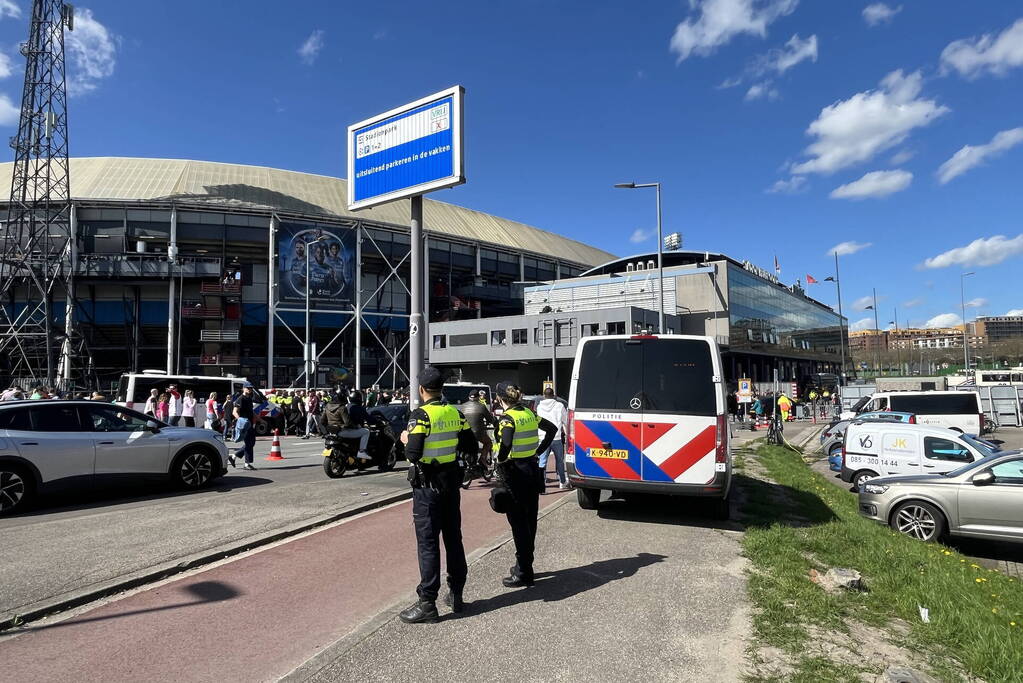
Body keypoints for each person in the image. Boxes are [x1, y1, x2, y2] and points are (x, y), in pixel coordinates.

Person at [399, 366, 477, 624]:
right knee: (454, 539)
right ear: (441, 389)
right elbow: (470, 445)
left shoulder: (420, 416)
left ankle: (427, 603)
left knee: (428, 543)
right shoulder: (455, 413)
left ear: (422, 390)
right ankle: (456, 593)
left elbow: (413, 453)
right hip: (450, 486)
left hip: (427, 488)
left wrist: (405, 438)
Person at [493, 381, 557, 589]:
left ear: (500, 398)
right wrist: (538, 451)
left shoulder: (507, 418)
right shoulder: (529, 414)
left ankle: (523, 572)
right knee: (530, 520)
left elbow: (507, 442)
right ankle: (525, 564)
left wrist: (501, 458)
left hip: (515, 473)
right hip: (531, 468)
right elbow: (551, 429)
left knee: (518, 523)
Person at [535, 387, 569, 491]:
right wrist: (567, 434)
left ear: (544, 395)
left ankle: (542, 485)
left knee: (542, 462)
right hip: (556, 437)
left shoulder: (539, 407)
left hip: (543, 438)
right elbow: (565, 421)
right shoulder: (559, 406)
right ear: (554, 395)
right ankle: (562, 482)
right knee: (559, 461)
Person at [460, 389, 495, 472]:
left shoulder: (462, 406)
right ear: (478, 397)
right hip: (478, 433)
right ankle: (482, 459)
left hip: (465, 433)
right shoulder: (481, 406)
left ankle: (468, 462)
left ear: (469, 397)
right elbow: (490, 419)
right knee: (488, 443)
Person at [230, 383, 258, 470]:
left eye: (251, 388)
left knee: (251, 442)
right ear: (243, 388)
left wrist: (258, 418)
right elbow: (234, 412)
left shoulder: (249, 398)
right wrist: (241, 420)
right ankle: (246, 464)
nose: (250, 390)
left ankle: (234, 456)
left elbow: (251, 411)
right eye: (248, 388)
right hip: (244, 425)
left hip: (250, 423)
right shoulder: (240, 399)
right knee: (249, 443)